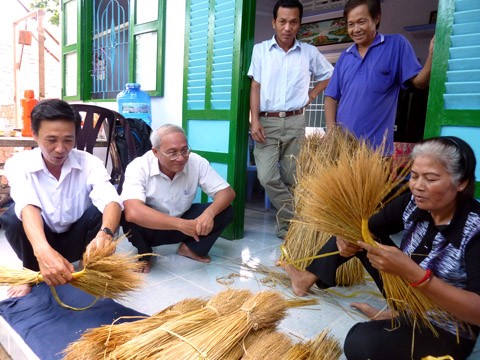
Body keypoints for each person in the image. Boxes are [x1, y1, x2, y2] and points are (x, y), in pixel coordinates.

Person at [284, 136, 480, 359]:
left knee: (360, 342)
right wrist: (344, 237)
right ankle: (307, 279)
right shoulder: (412, 203)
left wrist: (413, 273)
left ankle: (401, 317)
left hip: (446, 327)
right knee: (358, 232)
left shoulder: (475, 229)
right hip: (408, 296)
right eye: (414, 176)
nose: (418, 186)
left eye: (431, 178)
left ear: (461, 182)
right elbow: (366, 227)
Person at [0, 99, 123, 298]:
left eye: (68, 140)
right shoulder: (18, 164)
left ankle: (89, 267)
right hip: (40, 240)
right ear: (35, 135)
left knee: (100, 211)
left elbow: (111, 200)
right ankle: (31, 273)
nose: (60, 148)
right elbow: (27, 205)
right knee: (14, 218)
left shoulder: (89, 163)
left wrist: (105, 234)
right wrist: (42, 251)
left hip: (76, 239)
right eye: (51, 140)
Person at [248, 0, 334, 239]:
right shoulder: (261, 50)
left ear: (299, 24)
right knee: (266, 176)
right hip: (266, 122)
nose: (287, 27)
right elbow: (255, 86)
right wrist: (254, 121)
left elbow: (330, 75)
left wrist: (313, 94)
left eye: (293, 22)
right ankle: (302, 217)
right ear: (274, 22)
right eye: (283, 21)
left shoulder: (309, 52)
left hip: (296, 122)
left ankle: (288, 228)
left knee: (292, 177)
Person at [120, 124, 235, 273]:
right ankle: (145, 253)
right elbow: (133, 212)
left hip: (185, 225)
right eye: (172, 153)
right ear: (155, 152)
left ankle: (190, 248)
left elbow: (227, 192)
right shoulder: (139, 167)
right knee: (125, 214)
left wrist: (209, 214)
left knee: (226, 210)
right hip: (152, 228)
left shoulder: (196, 161)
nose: (181, 158)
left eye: (184, 150)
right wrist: (180, 225)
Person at [324, 0, 434, 154]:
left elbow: (420, 82)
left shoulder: (396, 45)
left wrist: (431, 56)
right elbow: (330, 97)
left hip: (377, 153)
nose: (356, 29)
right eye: (351, 24)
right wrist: (331, 131)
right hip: (343, 151)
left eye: (361, 22)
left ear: (376, 18)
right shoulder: (345, 56)